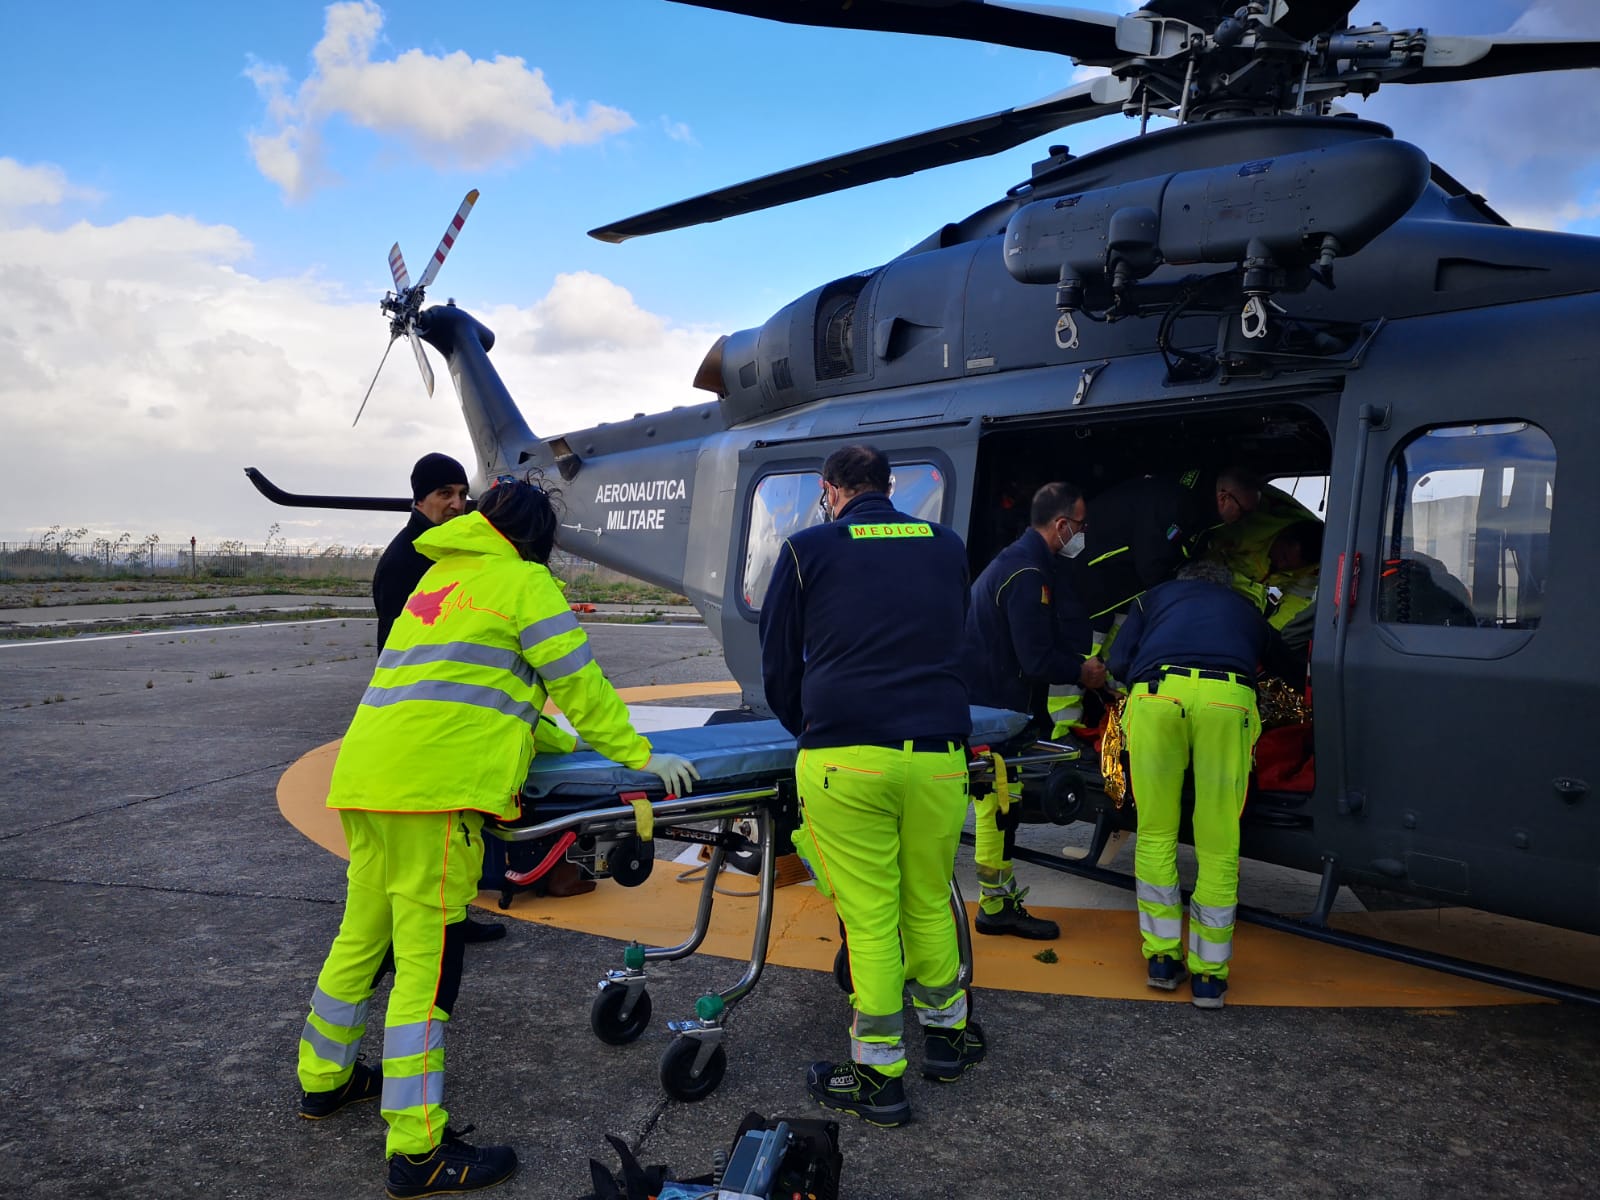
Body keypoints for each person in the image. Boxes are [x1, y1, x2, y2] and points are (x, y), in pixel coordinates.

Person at [296, 479, 698, 1196]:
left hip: (365, 778)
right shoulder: (524, 582)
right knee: (428, 970)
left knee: (362, 936)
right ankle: (418, 1148)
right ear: (536, 540)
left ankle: (324, 1078)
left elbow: (474, 691)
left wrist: (552, 737)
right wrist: (637, 754)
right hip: (434, 796)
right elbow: (577, 682)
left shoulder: (440, 580)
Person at [760, 444, 983, 1127]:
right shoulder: (946, 546)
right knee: (929, 900)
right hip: (939, 756)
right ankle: (948, 1040)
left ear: (830, 490)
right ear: (890, 486)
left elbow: (778, 663)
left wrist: (815, 724)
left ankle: (878, 1076)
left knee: (871, 918)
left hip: (847, 758)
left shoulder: (806, 549)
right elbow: (958, 638)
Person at [1106, 559, 1268, 1010]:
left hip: (1158, 696)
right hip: (1228, 700)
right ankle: (1210, 978)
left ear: (1182, 582)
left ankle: (1161, 959)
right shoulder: (1244, 608)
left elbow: (1118, 661)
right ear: (1224, 585)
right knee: (1219, 840)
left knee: (1156, 831)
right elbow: (1281, 662)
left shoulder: (1154, 597)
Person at [959, 482, 1106, 940]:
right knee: (998, 806)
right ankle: (995, 905)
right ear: (1061, 525)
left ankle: (997, 901)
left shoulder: (1021, 561)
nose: (1082, 533)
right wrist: (1082, 672)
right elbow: (1036, 659)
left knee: (1001, 803)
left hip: (993, 706)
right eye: (1080, 525)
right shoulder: (1027, 573)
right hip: (996, 713)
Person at [1069, 466, 1263, 624]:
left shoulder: (1201, 513)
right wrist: (1182, 605)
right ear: (1224, 498)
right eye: (1244, 512)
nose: (1244, 520)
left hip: (1117, 589)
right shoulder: (1175, 503)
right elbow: (1151, 565)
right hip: (1092, 576)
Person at [373, 452, 471, 652]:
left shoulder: (451, 550)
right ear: (420, 500)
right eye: (445, 494)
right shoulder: (402, 562)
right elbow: (392, 644)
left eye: (462, 494)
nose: (458, 505)